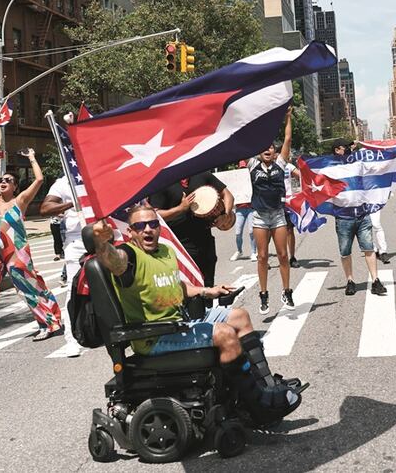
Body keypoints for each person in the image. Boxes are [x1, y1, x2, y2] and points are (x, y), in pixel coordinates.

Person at [88, 207, 302, 424]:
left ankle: (264, 385)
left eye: (153, 224)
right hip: (155, 336)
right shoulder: (130, 256)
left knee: (240, 316)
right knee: (225, 334)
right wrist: (102, 244)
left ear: (159, 227)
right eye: (140, 226)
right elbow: (115, 261)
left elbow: (176, 285)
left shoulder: (165, 251)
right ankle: (258, 405)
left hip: (179, 321)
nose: (147, 229)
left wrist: (206, 290)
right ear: (131, 232)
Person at [0, 145, 63, 349]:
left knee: (28, 288)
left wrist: (32, 157)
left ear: (15, 186)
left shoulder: (20, 200)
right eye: (1, 180)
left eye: (8, 180)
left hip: (16, 252)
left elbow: (39, 180)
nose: (3, 182)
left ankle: (47, 323)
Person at [150, 171, 235, 289]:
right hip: (180, 245)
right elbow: (154, 215)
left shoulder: (201, 173)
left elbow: (227, 195)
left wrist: (225, 214)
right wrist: (180, 208)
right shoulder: (162, 182)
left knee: (208, 286)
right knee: (190, 290)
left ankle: (208, 306)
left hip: (205, 241)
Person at [249, 112, 298, 314]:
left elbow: (287, 138)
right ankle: (263, 294)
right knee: (262, 257)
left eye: (271, 147)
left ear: (275, 151)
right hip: (260, 216)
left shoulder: (280, 164)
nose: (268, 150)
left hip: (278, 214)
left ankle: (287, 292)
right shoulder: (252, 165)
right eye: (263, 148)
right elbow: (244, 140)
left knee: (283, 255)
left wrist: (287, 117)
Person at [40, 176, 93, 357]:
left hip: (104, 232)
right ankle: (71, 339)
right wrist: (71, 204)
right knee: (73, 289)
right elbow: (45, 208)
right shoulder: (64, 182)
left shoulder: (96, 170)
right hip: (77, 240)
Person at [328, 140, 388, 298]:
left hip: (362, 214)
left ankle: (375, 280)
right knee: (345, 252)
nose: (348, 149)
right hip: (343, 217)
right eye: (345, 147)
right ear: (337, 150)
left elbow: (378, 168)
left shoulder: (358, 164)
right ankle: (350, 281)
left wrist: (394, 154)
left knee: (368, 248)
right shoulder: (330, 168)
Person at [228, 160, 256, 262]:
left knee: (252, 231)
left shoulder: (252, 178)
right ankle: (239, 251)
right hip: (240, 209)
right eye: (241, 168)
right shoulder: (236, 180)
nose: (243, 169)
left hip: (251, 208)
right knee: (238, 232)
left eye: (244, 168)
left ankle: (253, 252)